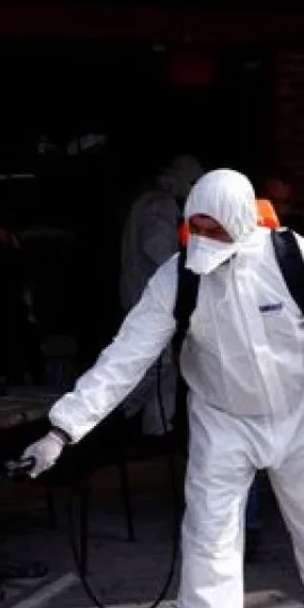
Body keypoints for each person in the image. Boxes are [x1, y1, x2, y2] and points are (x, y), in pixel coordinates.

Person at [21, 169, 304, 608]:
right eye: (197, 227)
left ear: (241, 220)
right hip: (222, 419)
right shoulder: (177, 277)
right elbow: (125, 357)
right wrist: (62, 430)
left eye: (216, 229)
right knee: (209, 539)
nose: (205, 239)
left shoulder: (292, 258)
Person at [118, 154, 203, 436]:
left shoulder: (152, 203)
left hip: (148, 298)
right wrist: (190, 270)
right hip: (149, 299)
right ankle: (118, 411)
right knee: (158, 366)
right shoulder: (159, 205)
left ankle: (157, 430)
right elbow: (158, 249)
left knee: (164, 372)